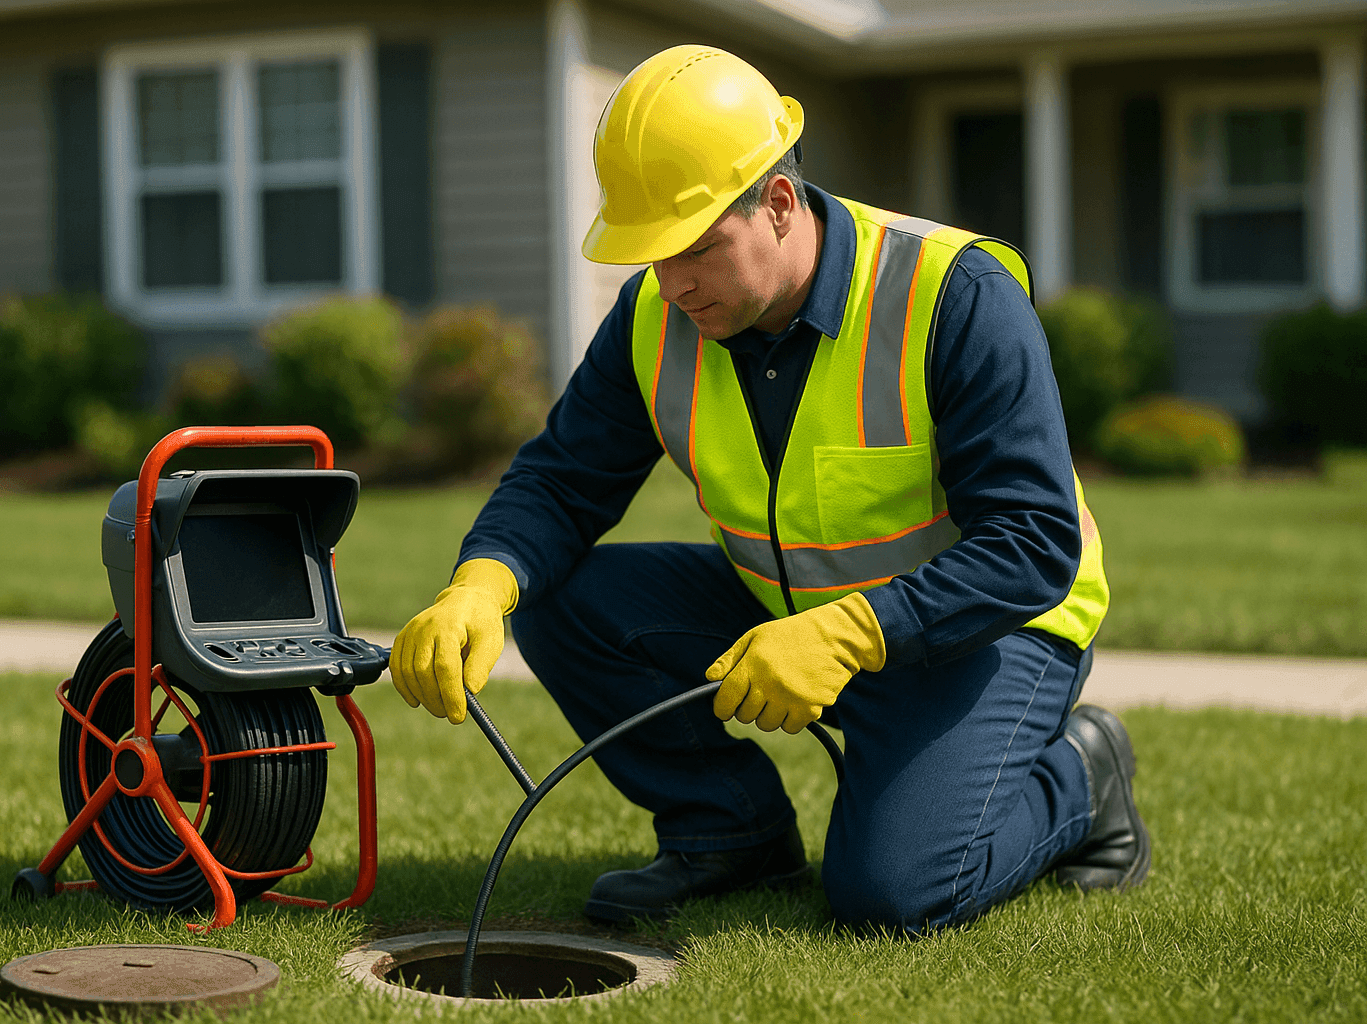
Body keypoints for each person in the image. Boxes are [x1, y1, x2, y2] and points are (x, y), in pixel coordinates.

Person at [389, 44, 1150, 931]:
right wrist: (478, 584)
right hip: (791, 612)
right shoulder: (656, 316)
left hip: (988, 630)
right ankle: (730, 836)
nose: (672, 285)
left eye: (696, 249)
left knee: (892, 897)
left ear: (779, 205)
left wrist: (854, 631)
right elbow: (562, 482)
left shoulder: (953, 294)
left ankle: (1085, 776)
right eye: (651, 255)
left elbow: (1033, 543)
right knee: (563, 597)